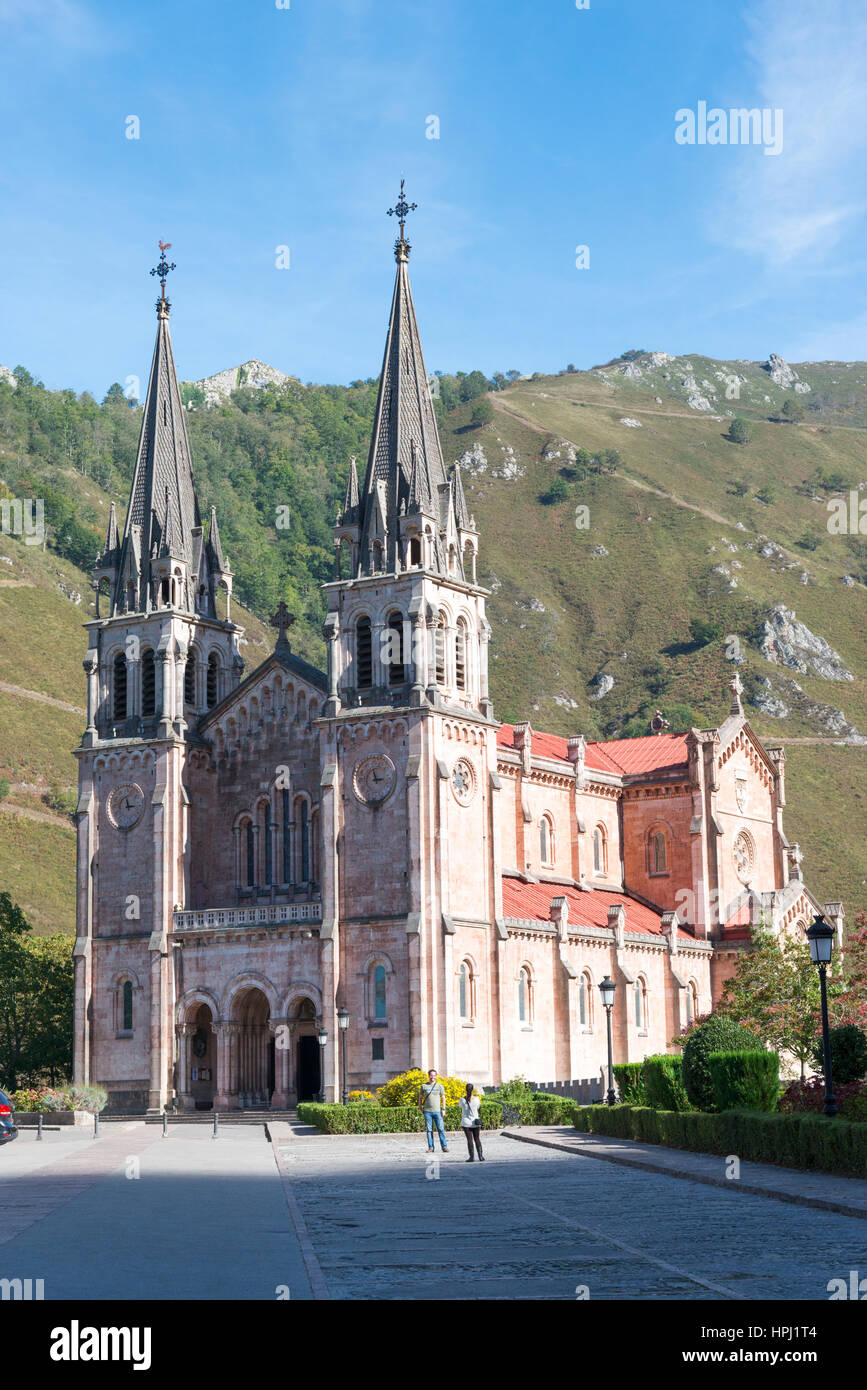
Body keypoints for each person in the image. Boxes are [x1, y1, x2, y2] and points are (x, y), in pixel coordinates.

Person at [419, 1068, 448, 1153]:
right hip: (427, 1111)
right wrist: (420, 1107)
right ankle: (431, 1147)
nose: (432, 1077)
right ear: (428, 1076)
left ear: (436, 1076)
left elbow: (443, 1098)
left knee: (441, 1129)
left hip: (437, 1111)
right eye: (431, 1075)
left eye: (434, 1075)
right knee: (429, 1130)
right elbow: (420, 1098)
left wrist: (443, 1109)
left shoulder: (440, 1086)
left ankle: (444, 1147)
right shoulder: (423, 1086)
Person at [459, 1082, 484, 1161]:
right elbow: (478, 1107)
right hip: (475, 1122)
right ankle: (480, 1156)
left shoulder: (462, 1100)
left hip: (466, 1122)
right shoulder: (477, 1099)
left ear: (465, 1090)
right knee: (477, 1139)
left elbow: (460, 1106)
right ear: (473, 1090)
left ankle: (471, 1157)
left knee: (469, 1140)